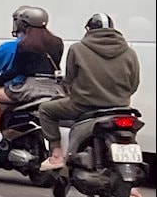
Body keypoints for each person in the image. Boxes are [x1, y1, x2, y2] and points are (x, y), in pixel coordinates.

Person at [43, 14, 143, 186]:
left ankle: (56, 155)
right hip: (120, 108)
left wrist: (75, 92)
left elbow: (70, 80)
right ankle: (132, 188)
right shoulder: (129, 52)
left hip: (83, 106)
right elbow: (134, 83)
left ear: (89, 29)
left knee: (46, 110)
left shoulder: (78, 49)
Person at [0, 5, 65, 133]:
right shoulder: (57, 42)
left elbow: (16, 70)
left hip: (30, 88)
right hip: (54, 88)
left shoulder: (24, 44)